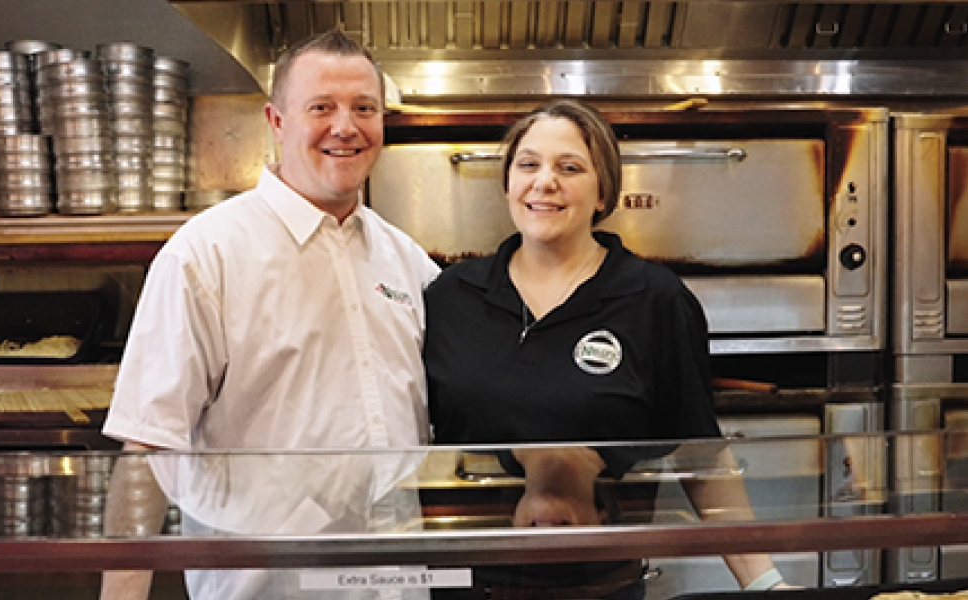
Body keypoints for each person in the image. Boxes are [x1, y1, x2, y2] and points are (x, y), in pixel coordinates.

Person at [99, 28, 440, 600]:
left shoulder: (405, 259)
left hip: (392, 584)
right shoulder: (205, 254)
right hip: (262, 588)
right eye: (321, 108)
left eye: (364, 108)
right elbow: (146, 451)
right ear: (276, 122)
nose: (346, 127)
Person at [423, 99, 790, 599]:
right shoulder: (450, 297)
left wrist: (764, 582)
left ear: (603, 193)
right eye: (528, 164)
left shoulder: (654, 300)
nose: (544, 181)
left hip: (604, 587)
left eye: (569, 167)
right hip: (465, 585)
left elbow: (701, 457)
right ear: (508, 183)